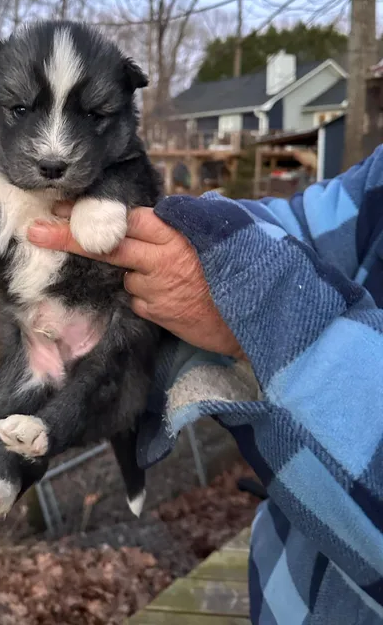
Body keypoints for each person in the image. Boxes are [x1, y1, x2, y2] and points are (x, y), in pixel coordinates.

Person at [27, 144, 383, 624]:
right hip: (278, 595)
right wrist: (177, 230)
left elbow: (263, 272)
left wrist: (254, 297)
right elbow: (299, 222)